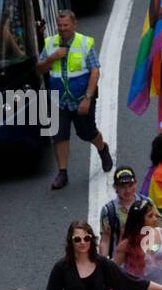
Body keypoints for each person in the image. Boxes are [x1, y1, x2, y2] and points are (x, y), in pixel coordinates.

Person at [37, 10, 112, 193]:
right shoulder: (50, 43)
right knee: (59, 135)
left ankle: (102, 148)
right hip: (58, 99)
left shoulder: (85, 43)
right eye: (60, 26)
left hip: (80, 99)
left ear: (74, 24)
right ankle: (62, 172)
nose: (63, 30)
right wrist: (51, 58)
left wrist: (88, 98)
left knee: (87, 133)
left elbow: (95, 71)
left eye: (66, 26)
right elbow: (40, 69)